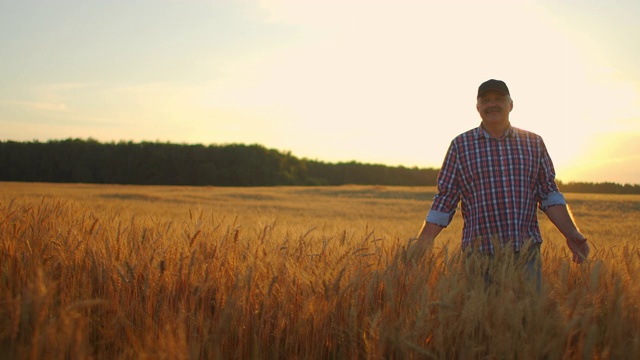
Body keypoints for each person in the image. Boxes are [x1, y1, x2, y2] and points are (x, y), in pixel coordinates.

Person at [409, 79, 589, 269]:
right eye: (485, 100)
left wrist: (571, 233)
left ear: (510, 104)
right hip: (478, 257)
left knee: (528, 300)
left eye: (499, 99)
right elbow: (445, 199)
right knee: (479, 300)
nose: (492, 104)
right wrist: (423, 242)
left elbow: (549, 194)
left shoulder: (533, 143)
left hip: (525, 255)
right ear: (477, 107)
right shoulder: (460, 146)